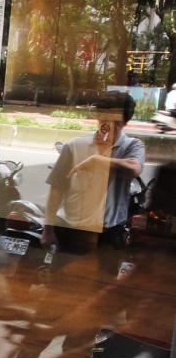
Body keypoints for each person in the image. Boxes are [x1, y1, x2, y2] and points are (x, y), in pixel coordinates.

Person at [41, 90, 144, 269]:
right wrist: (48, 229)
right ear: (97, 116)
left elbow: (134, 168)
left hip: (109, 233)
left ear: (125, 121)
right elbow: (57, 188)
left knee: (102, 281)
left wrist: (98, 161)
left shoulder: (132, 146)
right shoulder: (74, 145)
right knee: (63, 277)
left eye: (116, 120)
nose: (108, 124)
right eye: (104, 117)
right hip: (71, 229)